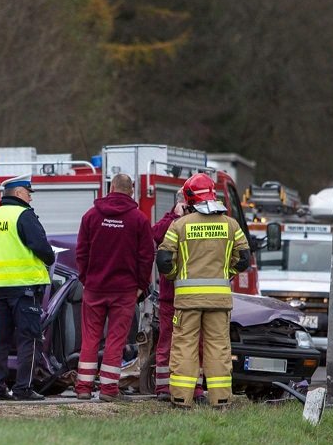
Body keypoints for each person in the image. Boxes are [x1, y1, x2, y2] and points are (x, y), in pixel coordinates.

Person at [156, 173, 250, 409]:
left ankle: (180, 399)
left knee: (184, 347)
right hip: (219, 300)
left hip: (187, 302)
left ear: (188, 198)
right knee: (218, 347)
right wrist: (226, 272)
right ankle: (220, 399)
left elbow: (164, 259)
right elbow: (244, 258)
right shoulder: (231, 225)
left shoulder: (179, 226)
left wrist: (174, 275)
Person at [73, 173, 154, 402]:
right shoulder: (139, 220)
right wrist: (140, 285)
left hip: (95, 288)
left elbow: (81, 252)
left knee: (90, 338)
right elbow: (146, 257)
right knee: (116, 339)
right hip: (125, 290)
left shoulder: (91, 216)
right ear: (131, 191)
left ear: (110, 188)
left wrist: (86, 279)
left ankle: (83, 388)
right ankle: (109, 390)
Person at [0, 174, 55, 401]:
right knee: (29, 339)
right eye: (29, 193)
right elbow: (42, 247)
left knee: (1, 341)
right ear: (19, 193)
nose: (31, 198)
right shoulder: (23, 215)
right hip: (24, 288)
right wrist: (49, 258)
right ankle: (23, 388)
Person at [151, 192, 206, 405]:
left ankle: (196, 387)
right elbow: (156, 235)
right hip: (171, 296)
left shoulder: (204, 222)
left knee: (197, 344)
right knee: (168, 341)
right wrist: (174, 216)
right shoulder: (171, 221)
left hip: (195, 296)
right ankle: (164, 386)